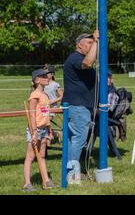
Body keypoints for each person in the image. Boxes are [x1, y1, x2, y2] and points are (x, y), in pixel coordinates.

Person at [61, 31, 99, 185]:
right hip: (77, 106)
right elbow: (88, 63)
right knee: (78, 140)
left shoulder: (78, 57)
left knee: (73, 141)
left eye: (92, 42)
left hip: (78, 106)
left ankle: (70, 172)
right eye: (88, 43)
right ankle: (72, 175)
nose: (91, 45)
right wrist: (96, 42)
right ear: (79, 45)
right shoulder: (76, 58)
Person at [23, 69, 57, 192]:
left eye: (47, 75)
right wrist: (34, 132)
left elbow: (45, 113)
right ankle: (27, 184)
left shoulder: (45, 95)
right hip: (35, 129)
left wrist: (49, 129)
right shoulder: (34, 95)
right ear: (37, 80)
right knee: (31, 156)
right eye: (44, 76)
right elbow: (32, 115)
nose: (47, 77)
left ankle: (46, 180)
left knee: (42, 155)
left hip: (44, 129)